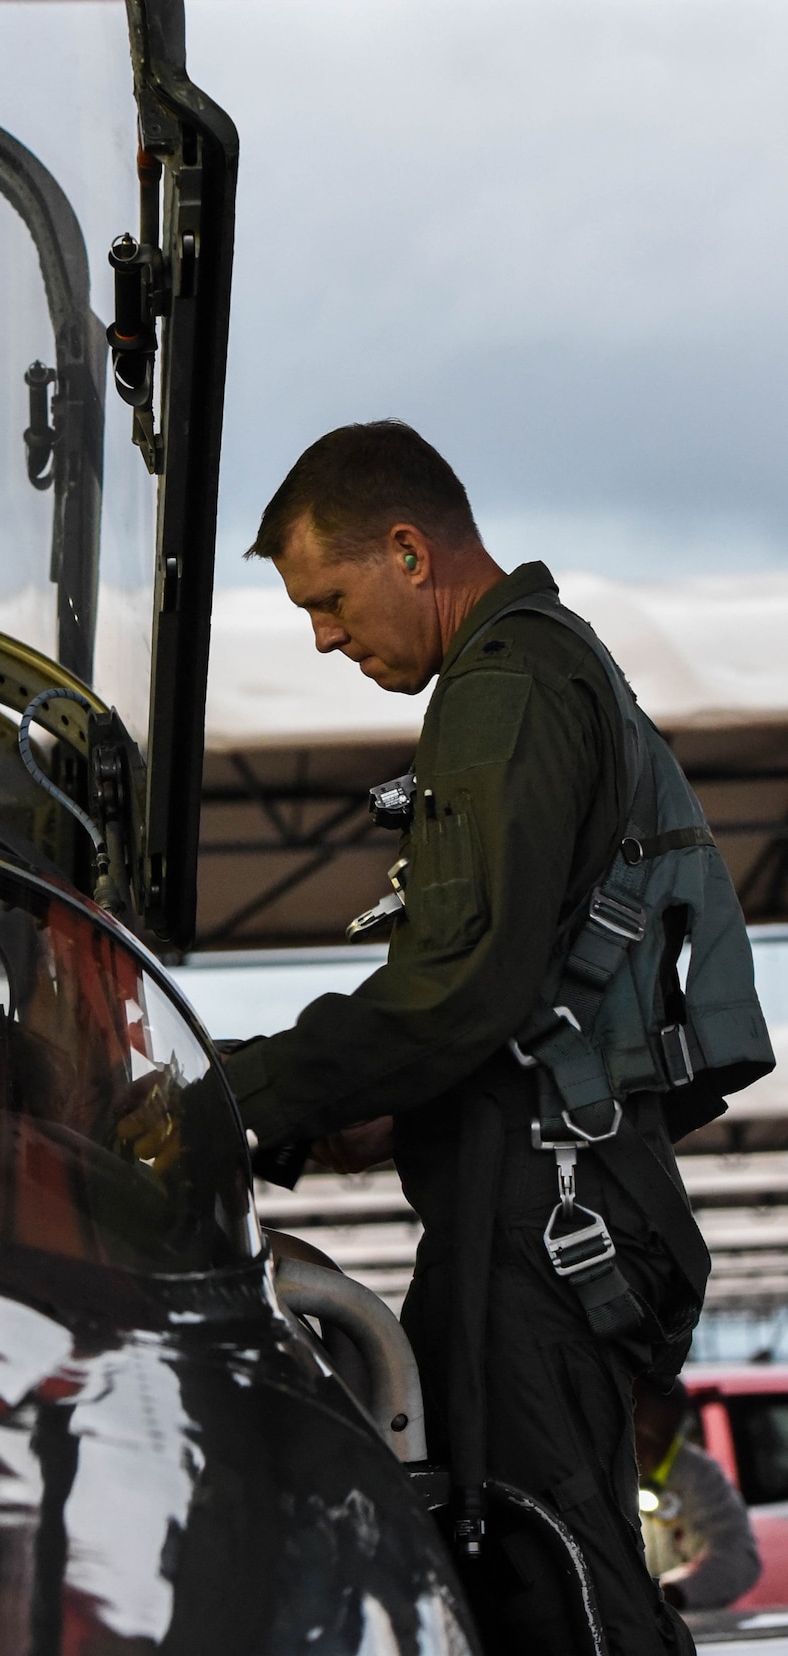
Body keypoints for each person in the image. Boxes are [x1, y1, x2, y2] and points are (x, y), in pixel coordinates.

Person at [222, 420, 724, 1656]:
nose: (325, 637)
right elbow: (517, 992)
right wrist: (354, 1111)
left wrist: (222, 1096)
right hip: (541, 1203)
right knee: (510, 1570)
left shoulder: (502, 686)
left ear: (408, 549)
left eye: (329, 601)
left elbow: (460, 987)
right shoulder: (547, 670)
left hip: (540, 1222)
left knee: (552, 1585)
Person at [634, 1375, 761, 1614]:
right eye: (634, 1432)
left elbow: (737, 1558)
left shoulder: (697, 1474)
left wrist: (670, 1594)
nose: (642, 1449)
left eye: (655, 1439)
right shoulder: (587, 1471)